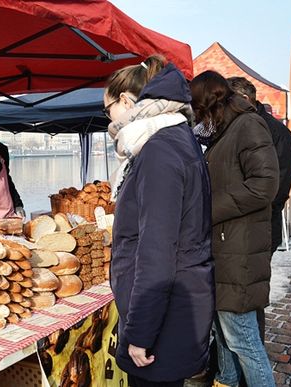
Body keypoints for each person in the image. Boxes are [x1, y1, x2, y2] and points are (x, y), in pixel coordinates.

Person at [105, 54, 214, 387]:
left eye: (107, 109)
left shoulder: (159, 151)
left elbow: (157, 251)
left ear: (126, 100)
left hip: (165, 322)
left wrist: (139, 332)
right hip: (176, 310)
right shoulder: (176, 140)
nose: (108, 118)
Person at [190, 70, 278, 387]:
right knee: (225, 338)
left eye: (199, 113)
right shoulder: (225, 132)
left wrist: (206, 209)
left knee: (244, 343)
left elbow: (264, 185)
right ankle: (225, 382)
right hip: (223, 249)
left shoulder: (247, 125)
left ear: (212, 106)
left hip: (237, 250)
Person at [227, 77, 291, 253]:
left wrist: (260, 212)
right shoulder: (232, 126)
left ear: (243, 98)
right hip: (234, 225)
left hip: (258, 224)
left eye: (227, 100)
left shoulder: (276, 132)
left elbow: (282, 179)